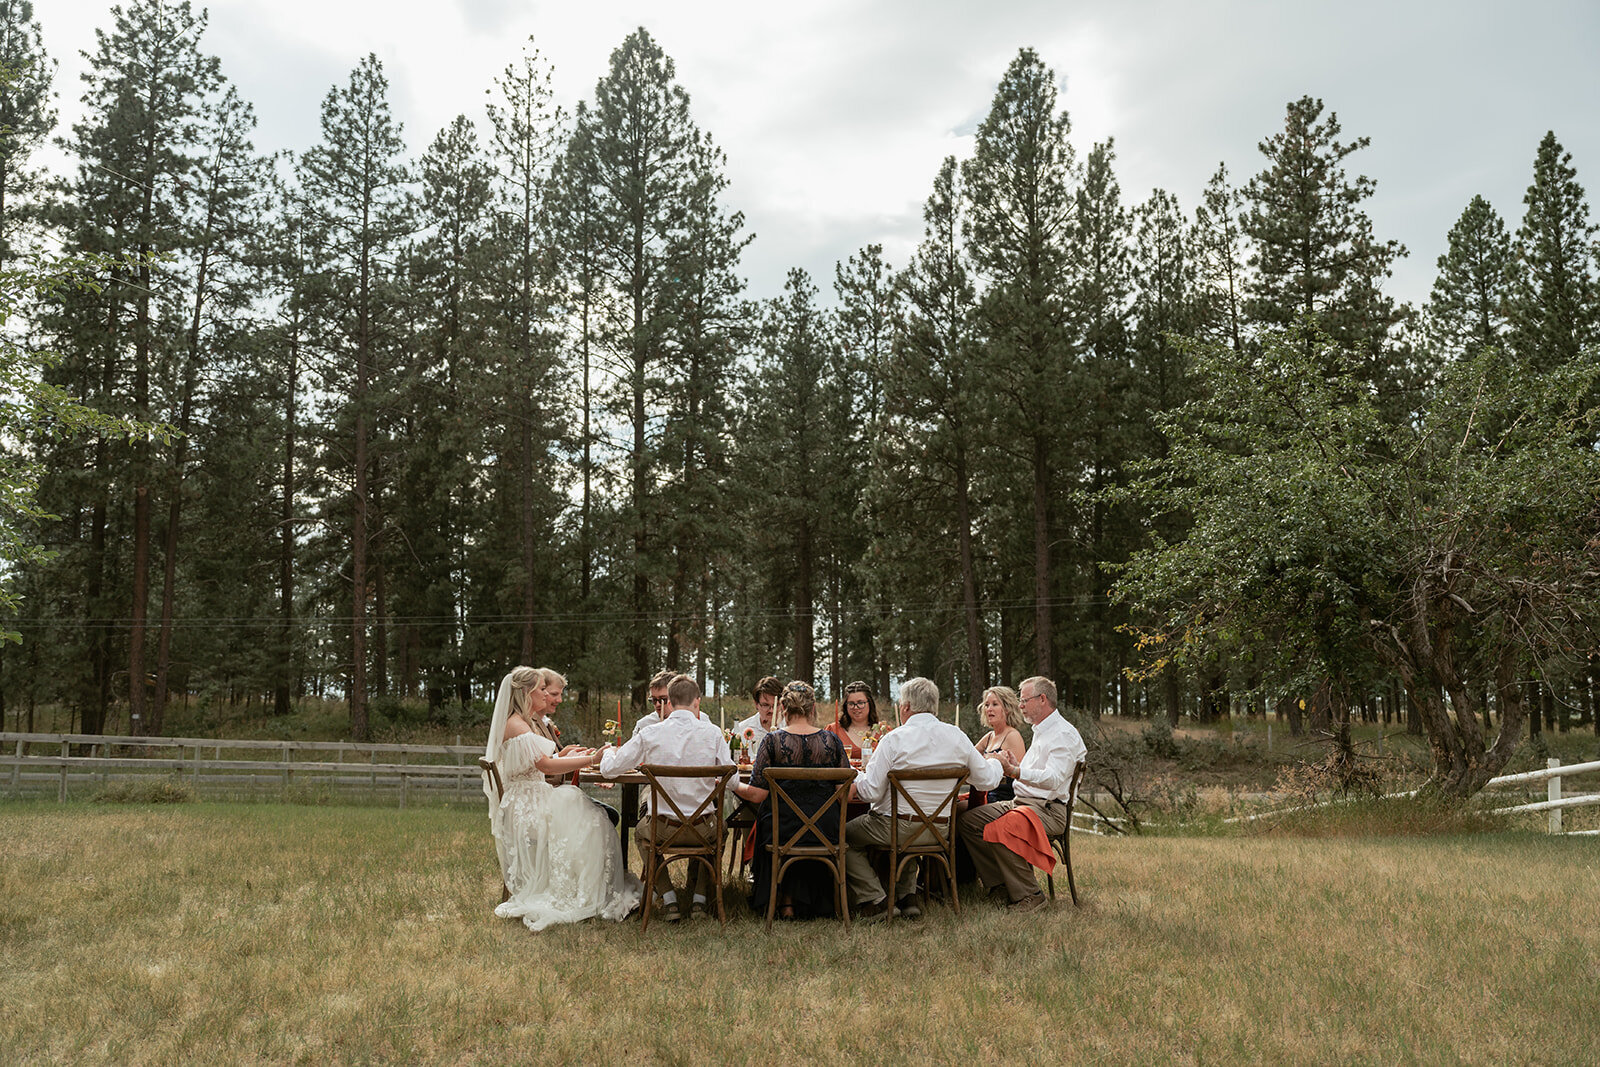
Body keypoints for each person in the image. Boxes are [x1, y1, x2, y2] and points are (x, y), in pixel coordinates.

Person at [483, 666, 642, 932]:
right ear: (526, 692)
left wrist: (566, 757)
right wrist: (594, 758)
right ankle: (581, 890)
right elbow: (544, 766)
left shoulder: (521, 721)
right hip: (526, 805)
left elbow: (537, 763)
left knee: (586, 811)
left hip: (533, 795)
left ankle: (586, 885)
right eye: (542, 690)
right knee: (588, 816)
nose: (546, 695)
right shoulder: (516, 724)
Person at [844, 677, 1002, 921]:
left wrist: (855, 777)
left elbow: (871, 792)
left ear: (905, 707)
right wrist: (996, 762)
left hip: (899, 828)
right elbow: (987, 781)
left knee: (843, 835)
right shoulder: (956, 736)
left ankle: (875, 899)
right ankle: (908, 898)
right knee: (905, 825)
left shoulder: (894, 739)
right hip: (941, 830)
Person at [600, 673, 734, 921]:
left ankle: (669, 897)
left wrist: (609, 751)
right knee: (721, 830)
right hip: (703, 830)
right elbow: (733, 778)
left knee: (640, 832)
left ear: (669, 702)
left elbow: (609, 770)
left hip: (661, 829)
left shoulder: (651, 733)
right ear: (697, 701)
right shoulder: (713, 733)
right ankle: (700, 900)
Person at [958, 676, 1087, 913]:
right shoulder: (1041, 730)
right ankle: (1000, 885)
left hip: (1049, 810)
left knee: (1003, 826)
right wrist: (1018, 763)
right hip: (1022, 803)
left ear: (1042, 699)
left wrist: (1015, 770)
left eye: (1025, 700)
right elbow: (1038, 771)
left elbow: (1054, 779)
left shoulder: (1063, 734)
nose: (1020, 706)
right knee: (969, 821)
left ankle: (1031, 895)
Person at [729, 680, 850, 919]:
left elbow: (757, 794)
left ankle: (785, 902)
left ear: (783, 708)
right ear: (813, 708)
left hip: (782, 829)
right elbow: (844, 792)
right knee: (806, 823)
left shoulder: (773, 741)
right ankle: (816, 901)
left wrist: (732, 783)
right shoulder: (832, 741)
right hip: (825, 829)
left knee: (771, 820)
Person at [967, 685, 1027, 808]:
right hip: (985, 795)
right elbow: (968, 756)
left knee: (958, 814)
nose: (989, 709)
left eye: (995, 704)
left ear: (1007, 709)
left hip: (1003, 800)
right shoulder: (989, 736)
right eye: (987, 705)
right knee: (954, 809)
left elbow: (1021, 777)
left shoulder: (1013, 735)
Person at [826, 680, 879, 760]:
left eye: (860, 703)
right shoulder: (833, 730)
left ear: (870, 703)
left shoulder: (884, 730)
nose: (855, 707)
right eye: (851, 704)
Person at [733, 675, 782, 756]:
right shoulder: (741, 730)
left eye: (776, 705)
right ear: (756, 704)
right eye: (766, 705)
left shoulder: (790, 729)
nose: (771, 710)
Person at [632, 670, 677, 737]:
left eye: (663, 699)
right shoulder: (644, 724)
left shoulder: (692, 721)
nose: (658, 704)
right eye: (654, 700)